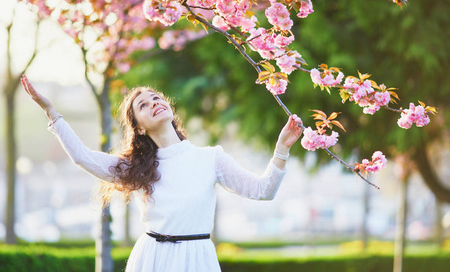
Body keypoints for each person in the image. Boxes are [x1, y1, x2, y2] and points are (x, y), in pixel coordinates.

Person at [20, 74, 303, 272]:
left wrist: (281, 149)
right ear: (140, 128)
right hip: (152, 258)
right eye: (143, 105)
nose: (154, 102)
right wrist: (51, 112)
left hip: (198, 259)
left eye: (156, 98)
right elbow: (83, 157)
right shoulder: (138, 167)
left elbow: (264, 190)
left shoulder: (210, 157)